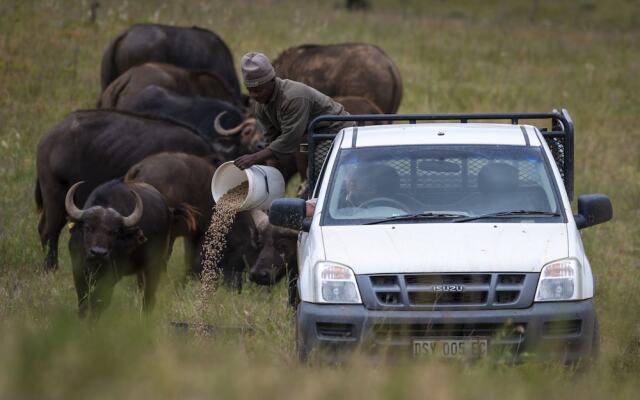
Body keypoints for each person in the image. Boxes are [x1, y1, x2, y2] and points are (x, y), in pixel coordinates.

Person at [233, 52, 353, 183]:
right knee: (306, 174)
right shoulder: (260, 105)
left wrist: (254, 158)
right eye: (250, 91)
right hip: (307, 137)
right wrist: (272, 175)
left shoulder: (293, 97)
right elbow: (270, 139)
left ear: (272, 80)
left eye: (259, 90)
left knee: (318, 169)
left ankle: (335, 197)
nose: (255, 95)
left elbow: (290, 138)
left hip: (335, 131)